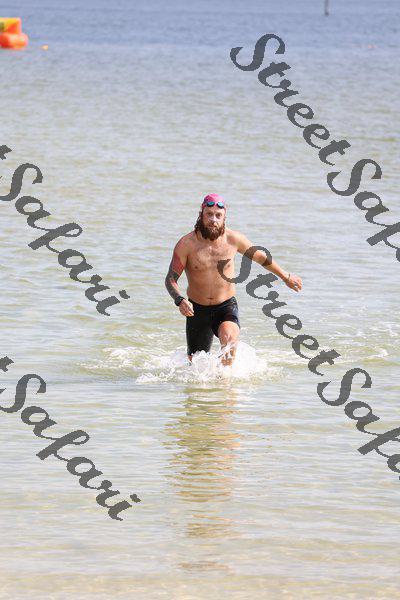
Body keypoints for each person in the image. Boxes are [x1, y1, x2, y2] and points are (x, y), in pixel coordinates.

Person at [165, 194, 302, 366]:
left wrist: (285, 276)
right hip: (197, 310)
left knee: (229, 340)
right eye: (209, 214)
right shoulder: (186, 244)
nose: (213, 220)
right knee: (195, 364)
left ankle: (225, 381)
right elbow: (171, 279)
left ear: (224, 217)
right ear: (201, 214)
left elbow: (260, 257)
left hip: (225, 306)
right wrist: (180, 300)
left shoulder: (234, 239)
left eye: (218, 215)